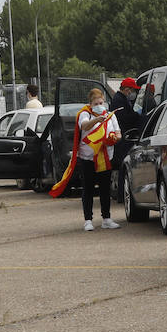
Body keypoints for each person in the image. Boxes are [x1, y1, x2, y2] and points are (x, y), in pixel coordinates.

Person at [48, 88, 121, 231]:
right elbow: (84, 126)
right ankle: (88, 220)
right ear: (91, 103)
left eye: (101, 102)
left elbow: (118, 133)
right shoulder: (84, 114)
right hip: (88, 158)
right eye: (96, 103)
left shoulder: (110, 115)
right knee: (88, 189)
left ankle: (106, 218)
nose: (99, 105)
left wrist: (114, 138)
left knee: (105, 189)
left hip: (105, 157)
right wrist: (97, 120)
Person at [110, 78, 144, 201]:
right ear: (127, 90)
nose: (133, 93)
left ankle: (122, 195)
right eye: (132, 90)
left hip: (124, 136)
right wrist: (138, 116)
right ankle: (121, 195)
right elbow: (125, 118)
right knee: (123, 165)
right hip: (123, 138)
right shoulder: (119, 100)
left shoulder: (121, 99)